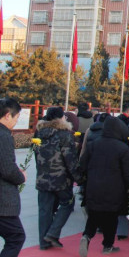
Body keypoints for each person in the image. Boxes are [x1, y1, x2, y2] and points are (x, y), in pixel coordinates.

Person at [79, 116, 129, 256]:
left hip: (93, 186)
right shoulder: (122, 148)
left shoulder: (94, 144)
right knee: (111, 217)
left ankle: (86, 236)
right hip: (114, 188)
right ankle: (107, 245)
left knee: (94, 215)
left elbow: (82, 165)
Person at [34, 106, 82, 250]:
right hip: (61, 179)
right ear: (62, 118)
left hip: (42, 178)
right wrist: (79, 177)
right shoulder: (65, 135)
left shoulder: (39, 133)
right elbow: (71, 160)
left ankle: (44, 242)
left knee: (44, 210)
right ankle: (53, 233)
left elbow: (37, 156)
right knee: (67, 204)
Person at [0, 98, 26, 257]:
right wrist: (21, 176)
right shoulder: (4, 136)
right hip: (3, 201)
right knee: (16, 236)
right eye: (16, 118)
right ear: (8, 115)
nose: (16, 122)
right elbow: (7, 169)